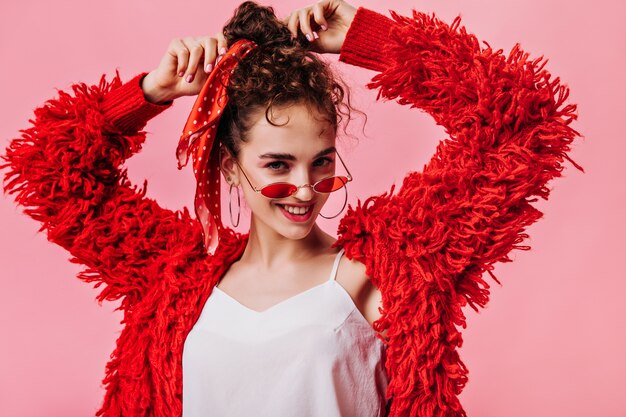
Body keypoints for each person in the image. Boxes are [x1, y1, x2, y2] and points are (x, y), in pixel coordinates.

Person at [0, 0, 584, 416]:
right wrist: (149, 93)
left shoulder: (385, 269)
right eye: (278, 165)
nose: (307, 188)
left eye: (322, 161)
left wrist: (370, 39)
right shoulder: (173, 280)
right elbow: (46, 170)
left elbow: (525, 125)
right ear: (230, 164)